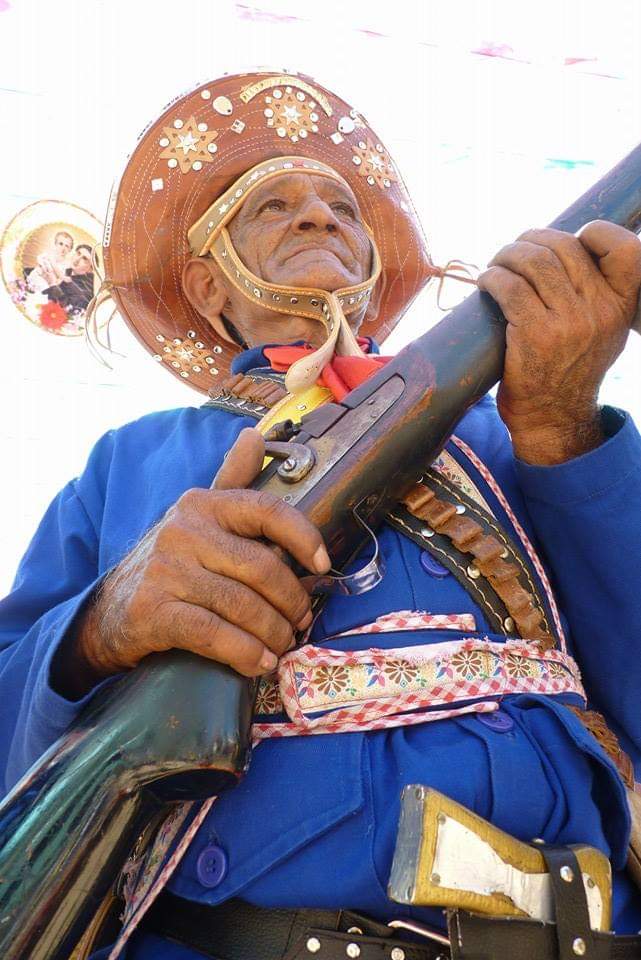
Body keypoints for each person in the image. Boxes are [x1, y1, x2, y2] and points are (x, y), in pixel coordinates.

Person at [1, 71, 641, 960]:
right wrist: (99, 628)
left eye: (342, 207)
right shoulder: (132, 459)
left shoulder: (513, 429)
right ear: (208, 286)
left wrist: (564, 427)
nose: (318, 217)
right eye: (273, 206)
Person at [43, 242, 94, 313]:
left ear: (90, 269)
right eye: (78, 253)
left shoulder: (86, 287)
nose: (77, 259)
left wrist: (52, 284)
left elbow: (69, 308)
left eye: (84, 259)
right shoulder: (68, 271)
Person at [24, 229, 74, 294]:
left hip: (48, 282)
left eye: (67, 246)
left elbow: (60, 279)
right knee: (41, 286)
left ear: (70, 250)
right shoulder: (50, 254)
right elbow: (41, 260)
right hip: (38, 276)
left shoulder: (66, 264)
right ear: (56, 244)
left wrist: (56, 282)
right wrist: (44, 266)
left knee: (47, 290)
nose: (63, 248)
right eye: (61, 244)